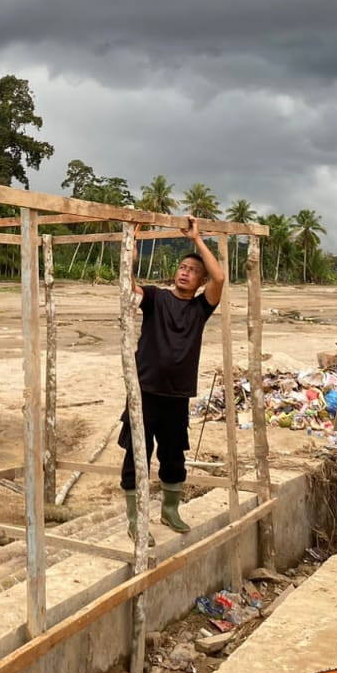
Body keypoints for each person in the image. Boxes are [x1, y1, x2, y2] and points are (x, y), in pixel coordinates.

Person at [119, 215, 225, 539]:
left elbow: (219, 278)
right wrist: (131, 249)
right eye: (182, 267)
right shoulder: (156, 299)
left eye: (193, 271)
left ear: (200, 281)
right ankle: (136, 520)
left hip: (177, 395)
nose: (185, 272)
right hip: (146, 390)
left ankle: (170, 510)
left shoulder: (199, 309)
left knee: (173, 454)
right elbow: (128, 288)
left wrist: (196, 239)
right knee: (137, 454)